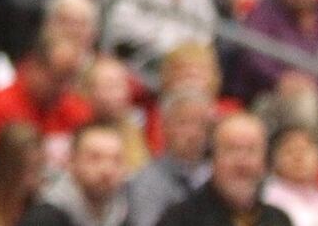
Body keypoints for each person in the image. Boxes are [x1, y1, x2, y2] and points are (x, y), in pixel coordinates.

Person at [0, 34, 93, 162]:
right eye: (58, 78)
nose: (64, 87)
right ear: (35, 66)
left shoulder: (77, 111)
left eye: (70, 79)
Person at [157, 113, 293, 226]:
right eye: (231, 149)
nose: (242, 162)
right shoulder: (181, 219)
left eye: (251, 150)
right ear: (212, 158)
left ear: (265, 161)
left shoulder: (278, 220)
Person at [127, 89, 214, 226]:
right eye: (184, 123)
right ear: (164, 127)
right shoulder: (147, 181)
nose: (194, 133)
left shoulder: (216, 175)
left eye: (202, 124)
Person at [21, 122, 131, 226]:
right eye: (95, 158)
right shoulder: (44, 218)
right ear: (71, 162)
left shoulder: (122, 214)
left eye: (117, 160)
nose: (107, 170)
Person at [260, 127, 318, 226]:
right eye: (289, 151)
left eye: (305, 150)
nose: (298, 157)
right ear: (274, 160)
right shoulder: (268, 200)